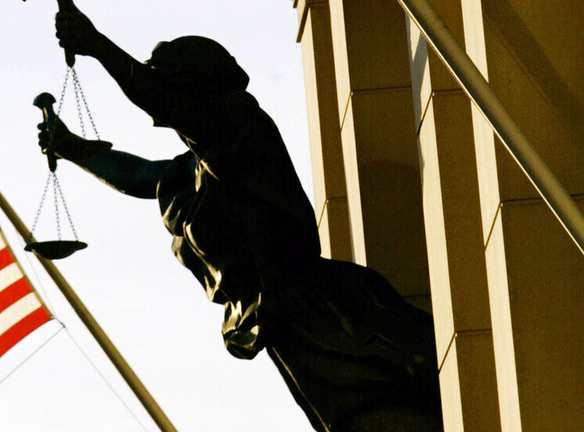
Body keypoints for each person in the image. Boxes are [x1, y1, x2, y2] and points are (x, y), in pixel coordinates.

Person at [41, 7, 442, 431]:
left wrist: (96, 44)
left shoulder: (238, 125)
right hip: (284, 324)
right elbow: (139, 176)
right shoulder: (195, 169)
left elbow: (161, 100)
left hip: (328, 316)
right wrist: (73, 148)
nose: (151, 89)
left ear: (193, 83)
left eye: (162, 77)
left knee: (388, 411)